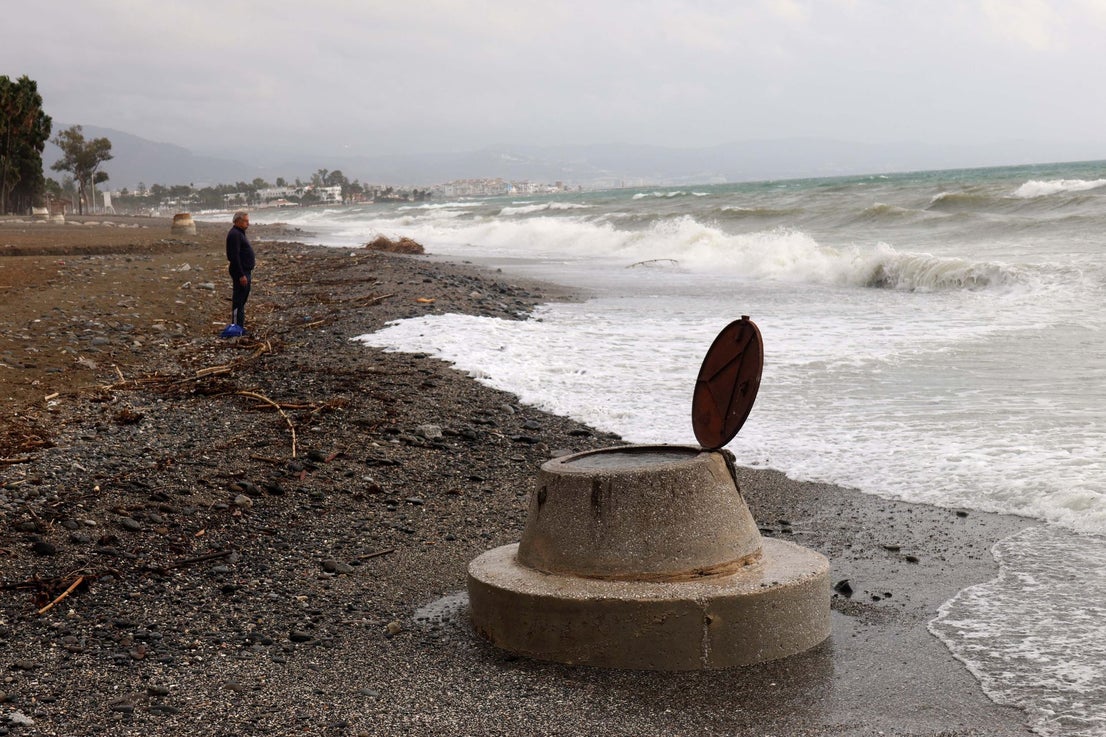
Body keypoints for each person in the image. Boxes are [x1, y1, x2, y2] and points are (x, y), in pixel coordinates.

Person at [225, 210, 255, 331]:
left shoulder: (240, 233)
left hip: (245, 271)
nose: (248, 223)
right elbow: (234, 256)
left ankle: (239, 326)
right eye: (246, 221)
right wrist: (241, 275)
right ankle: (236, 328)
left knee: (242, 300)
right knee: (238, 300)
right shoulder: (235, 234)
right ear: (238, 221)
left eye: (248, 221)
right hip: (240, 272)